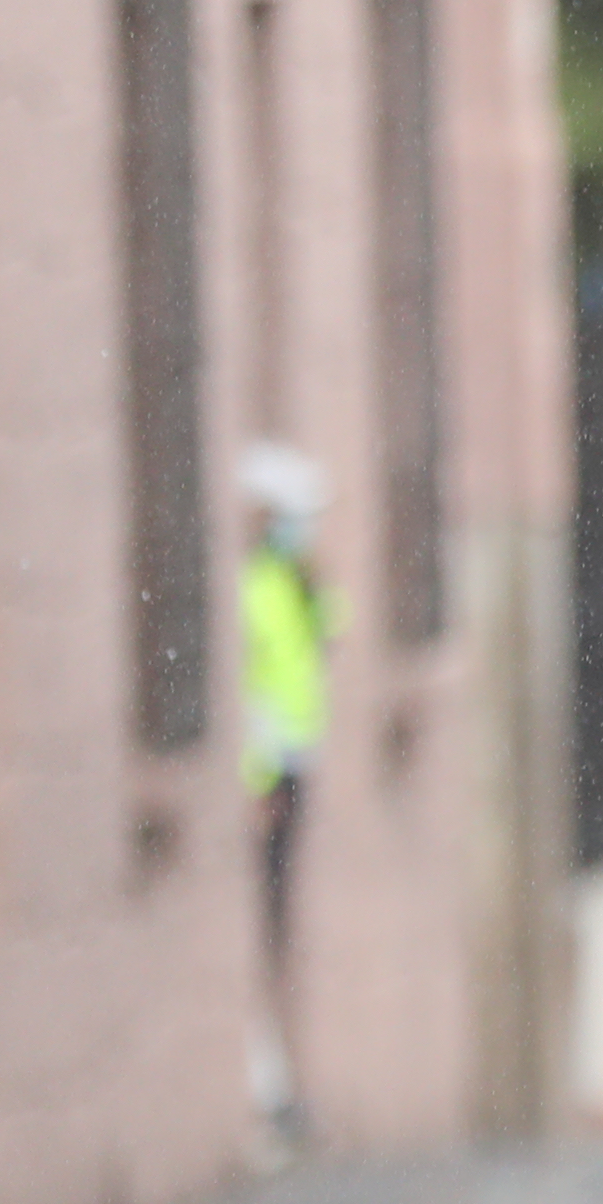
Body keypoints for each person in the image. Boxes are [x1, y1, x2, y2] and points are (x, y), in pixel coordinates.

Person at [235, 442, 335, 1141]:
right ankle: (266, 1084)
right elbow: (254, 698)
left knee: (282, 926)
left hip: (296, 767)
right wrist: (260, 782)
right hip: (268, 778)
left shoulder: (294, 583)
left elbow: (329, 637)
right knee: (262, 927)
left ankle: (282, 1083)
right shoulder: (254, 590)